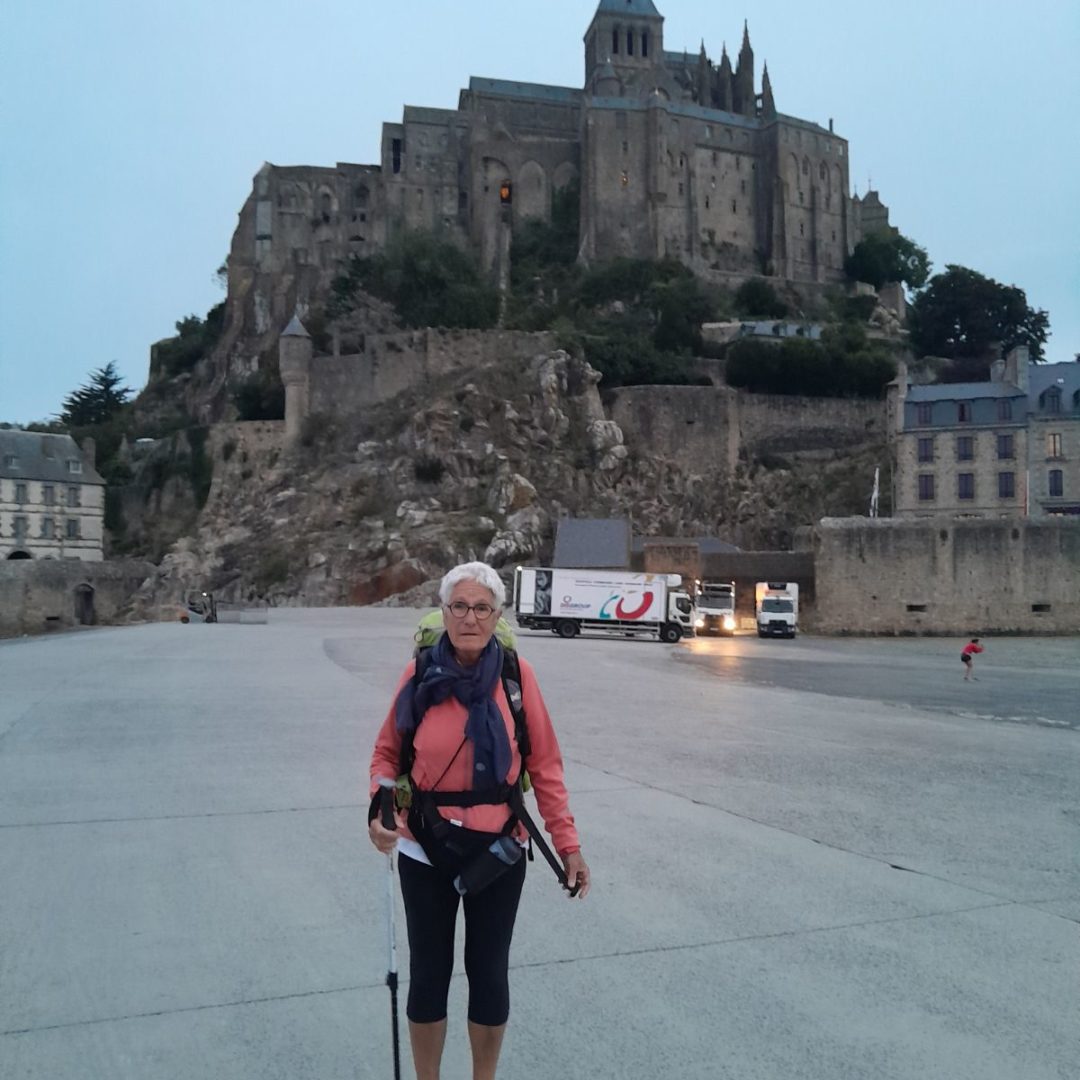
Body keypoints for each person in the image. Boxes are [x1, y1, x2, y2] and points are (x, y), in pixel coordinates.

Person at [368, 561, 589, 1080]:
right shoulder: (419, 673)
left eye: (482, 608)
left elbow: (546, 765)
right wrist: (379, 813)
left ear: (496, 616)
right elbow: (386, 755)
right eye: (460, 607)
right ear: (444, 613)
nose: (470, 617)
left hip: (499, 847)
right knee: (428, 975)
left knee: (489, 974)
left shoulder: (517, 678)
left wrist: (568, 845)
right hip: (424, 847)